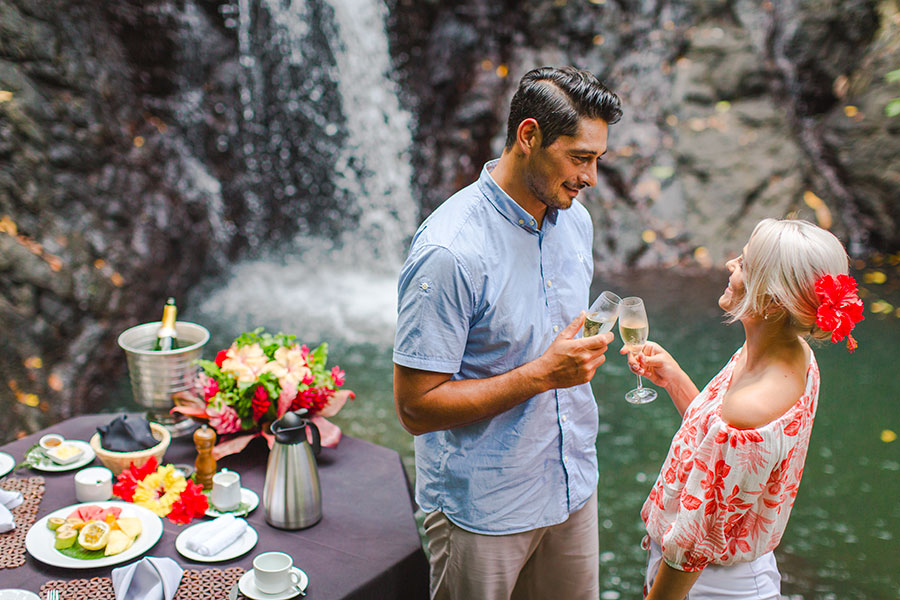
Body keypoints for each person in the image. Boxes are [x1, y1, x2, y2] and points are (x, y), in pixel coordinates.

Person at [392, 66, 623, 600]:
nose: (590, 177)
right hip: (484, 509)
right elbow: (414, 408)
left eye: (597, 160)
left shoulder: (576, 221)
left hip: (572, 486)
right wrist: (544, 374)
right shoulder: (450, 253)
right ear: (528, 136)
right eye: (579, 157)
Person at [625, 218, 864, 600]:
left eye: (745, 265)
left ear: (771, 299)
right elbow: (720, 454)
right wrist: (675, 379)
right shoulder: (791, 353)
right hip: (729, 575)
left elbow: (693, 546)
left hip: (709, 587)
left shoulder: (749, 409)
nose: (730, 265)